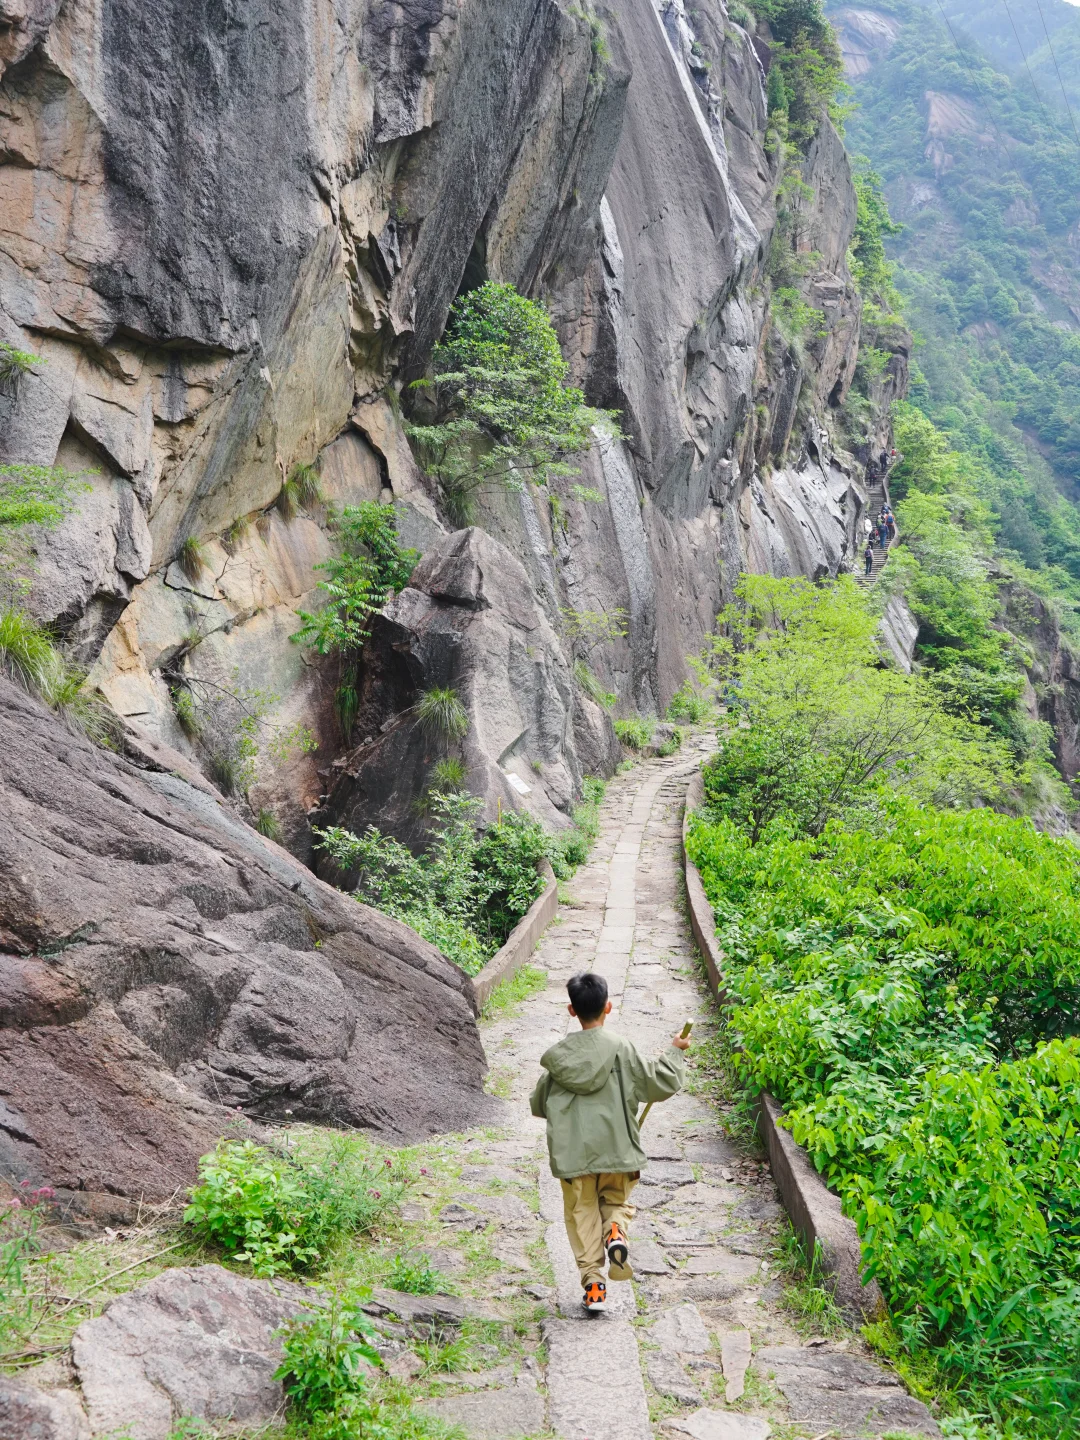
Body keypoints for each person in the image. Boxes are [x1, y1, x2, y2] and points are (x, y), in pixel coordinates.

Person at [530, 971, 689, 1312]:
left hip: (574, 1156)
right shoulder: (622, 1050)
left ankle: (594, 1286)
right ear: (609, 1007)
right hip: (618, 1148)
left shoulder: (558, 1060)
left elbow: (538, 1104)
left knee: (581, 1213)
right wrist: (675, 1052)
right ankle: (615, 1231)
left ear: (572, 1011)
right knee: (615, 1200)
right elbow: (659, 1083)